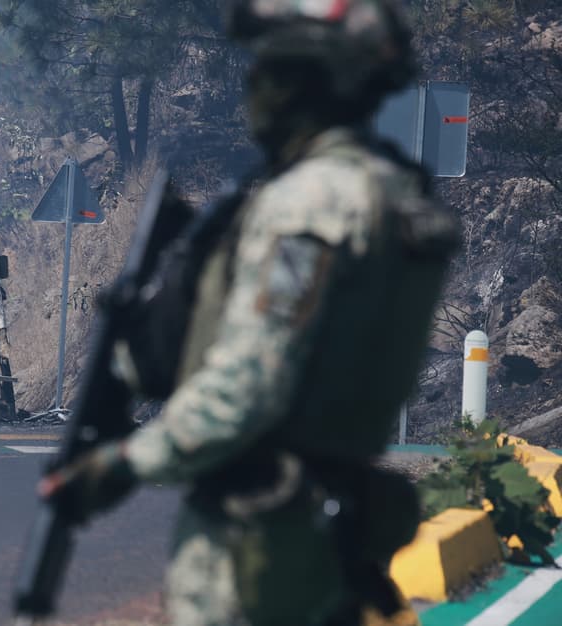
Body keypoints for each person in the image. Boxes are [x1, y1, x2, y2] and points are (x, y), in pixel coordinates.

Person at [40, 1, 460, 624]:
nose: (256, 86)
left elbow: (249, 385)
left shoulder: (310, 205)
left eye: (271, 68)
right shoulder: (398, 195)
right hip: (334, 534)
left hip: (256, 548)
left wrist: (124, 464)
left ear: (304, 81)